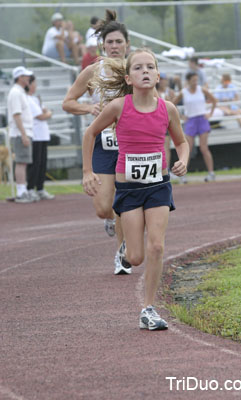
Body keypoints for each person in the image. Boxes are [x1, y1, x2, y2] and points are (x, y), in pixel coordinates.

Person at [82, 48, 189, 330]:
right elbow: (90, 133)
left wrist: (184, 160)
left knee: (156, 245)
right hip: (128, 189)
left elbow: (181, 142)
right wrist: (87, 172)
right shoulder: (119, 107)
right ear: (128, 78)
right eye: (139, 68)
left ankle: (148, 309)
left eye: (150, 67)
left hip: (158, 185)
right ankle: (126, 247)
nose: (145, 71)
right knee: (135, 257)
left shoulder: (168, 108)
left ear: (157, 75)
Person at [63, 10, 131, 275]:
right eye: (110, 42)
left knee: (124, 204)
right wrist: (89, 108)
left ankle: (122, 254)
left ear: (127, 44)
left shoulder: (135, 67)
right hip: (104, 143)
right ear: (103, 44)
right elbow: (67, 102)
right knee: (104, 208)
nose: (114, 46)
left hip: (130, 143)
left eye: (119, 42)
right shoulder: (93, 71)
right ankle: (111, 221)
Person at [174, 72, 217, 182]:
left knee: (204, 148)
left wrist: (210, 113)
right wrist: (181, 116)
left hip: (202, 119)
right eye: (193, 80)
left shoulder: (201, 89)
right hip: (191, 120)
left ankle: (211, 173)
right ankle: (182, 176)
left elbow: (214, 100)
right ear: (188, 81)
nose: (195, 82)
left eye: (196, 80)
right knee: (188, 148)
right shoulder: (183, 92)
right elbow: (173, 103)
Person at [7, 66, 34, 203]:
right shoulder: (16, 93)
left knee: (23, 162)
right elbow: (16, 115)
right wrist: (23, 134)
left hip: (23, 131)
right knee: (21, 162)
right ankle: (21, 191)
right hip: (20, 132)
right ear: (20, 77)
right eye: (26, 76)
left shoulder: (19, 92)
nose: (28, 78)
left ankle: (22, 190)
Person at [25, 75, 55, 201]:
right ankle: (30, 188)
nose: (35, 85)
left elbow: (43, 112)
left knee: (42, 163)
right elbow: (41, 115)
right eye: (34, 83)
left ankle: (40, 188)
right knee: (35, 163)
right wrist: (49, 113)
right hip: (35, 135)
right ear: (29, 85)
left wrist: (46, 112)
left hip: (42, 135)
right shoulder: (27, 99)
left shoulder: (34, 99)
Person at [156, 73, 176, 180]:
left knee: (166, 147)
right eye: (163, 79)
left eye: (166, 80)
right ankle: (160, 169)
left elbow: (172, 106)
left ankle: (166, 169)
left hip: (165, 121)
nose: (165, 82)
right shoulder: (155, 92)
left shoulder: (169, 92)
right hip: (156, 122)